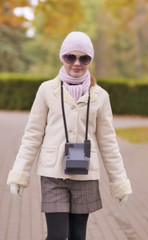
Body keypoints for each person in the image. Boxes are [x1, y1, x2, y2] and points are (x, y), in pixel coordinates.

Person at [7, 31, 132, 240]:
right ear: (62, 57)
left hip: (85, 176)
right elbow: (32, 135)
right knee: (57, 235)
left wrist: (119, 182)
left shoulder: (101, 96)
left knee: (77, 236)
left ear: (90, 60)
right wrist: (20, 173)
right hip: (53, 175)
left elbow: (109, 143)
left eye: (83, 58)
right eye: (70, 57)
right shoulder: (46, 90)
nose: (77, 63)